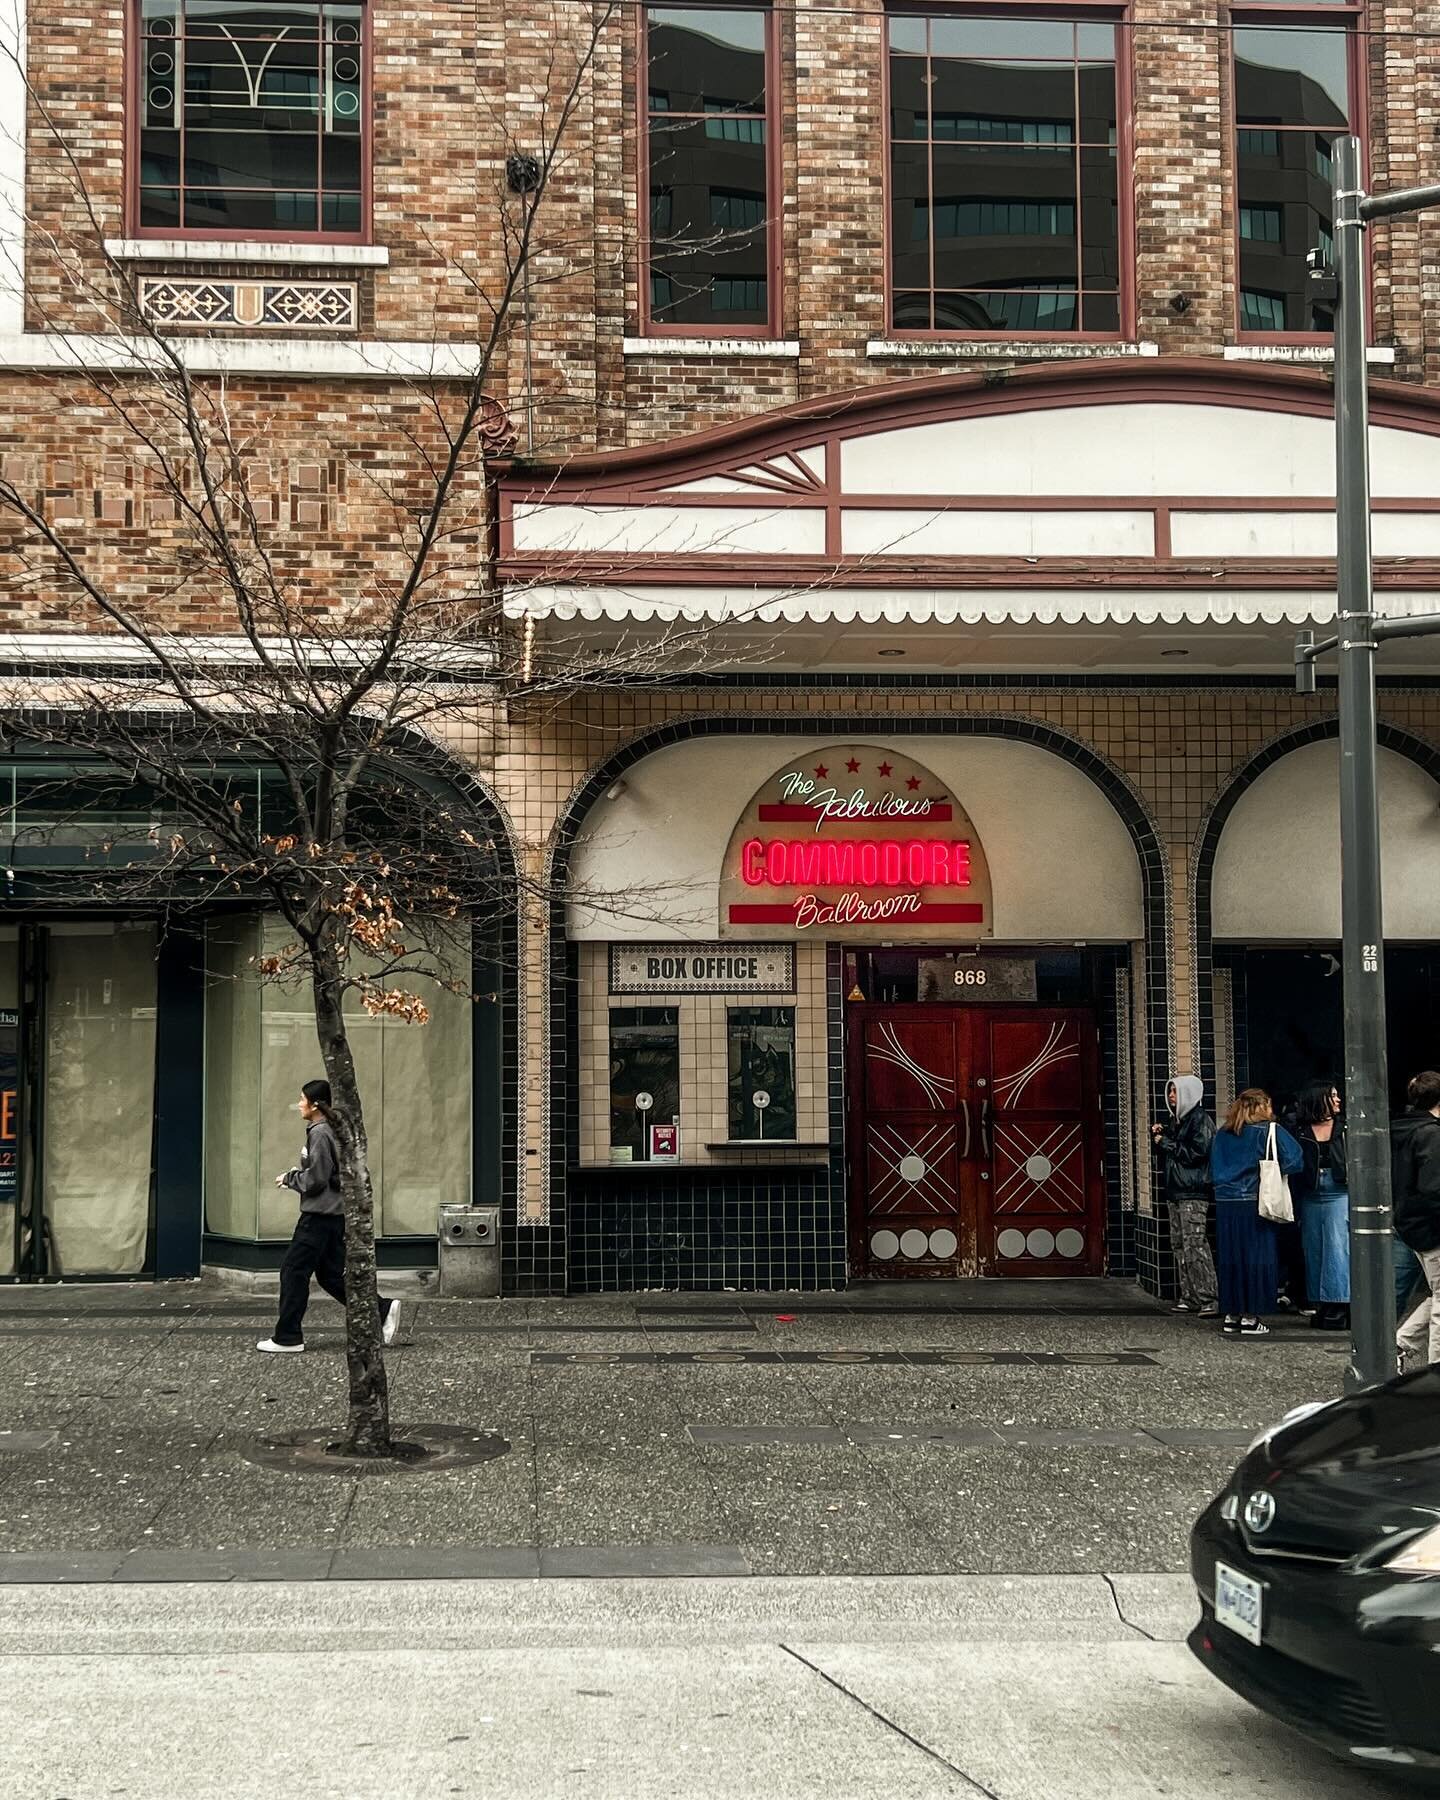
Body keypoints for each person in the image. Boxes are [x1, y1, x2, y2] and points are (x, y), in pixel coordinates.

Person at [256, 1079, 402, 1355]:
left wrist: (290, 1178)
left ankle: (288, 1337)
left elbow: (318, 1179)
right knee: (331, 1276)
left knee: (293, 1271)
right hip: (333, 1215)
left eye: (302, 1100)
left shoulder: (321, 1132)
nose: (299, 1104)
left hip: (318, 1217)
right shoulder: (332, 1128)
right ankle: (381, 1309)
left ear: (314, 1105)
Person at [1209, 1087, 1303, 1338]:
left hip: (1226, 1202)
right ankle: (1251, 1316)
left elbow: (1213, 1169)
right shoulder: (1270, 1131)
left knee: (1231, 1258)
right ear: (1262, 1106)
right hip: (1256, 1200)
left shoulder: (1222, 1135)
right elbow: (1296, 1160)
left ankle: (1231, 1313)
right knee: (1258, 1257)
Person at [1151, 1074, 1218, 1316]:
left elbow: (1197, 1154)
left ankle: (1208, 1296)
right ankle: (1189, 1295)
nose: (1171, 1097)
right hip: (1177, 1191)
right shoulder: (1178, 1121)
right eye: (1169, 1092)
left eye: (1175, 1092)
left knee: (1195, 1244)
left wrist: (1166, 1142)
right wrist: (1162, 1138)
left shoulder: (1200, 1121)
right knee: (1180, 1244)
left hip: (1193, 1191)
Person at [1289, 1080, 1350, 1332]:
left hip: (1339, 1191)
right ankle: (1321, 1302)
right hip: (1311, 1193)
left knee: (1337, 1248)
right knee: (1314, 1249)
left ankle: (1338, 1303)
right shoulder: (1300, 1129)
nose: (1338, 1100)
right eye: (1332, 1096)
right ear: (1319, 1099)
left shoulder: (1345, 1126)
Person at [1394, 1069, 1440, 1371]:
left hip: (1413, 1225)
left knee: (1437, 1293)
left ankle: (1401, 1344)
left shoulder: (1404, 1129)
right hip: (1432, 1227)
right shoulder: (1432, 1134)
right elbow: (1433, 1187)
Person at [1390, 1077, 1430, 1321]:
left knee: (1394, 1288)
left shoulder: (1395, 1129)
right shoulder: (1430, 1134)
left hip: (1402, 1214)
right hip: (1426, 1221)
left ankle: (1381, 1343)